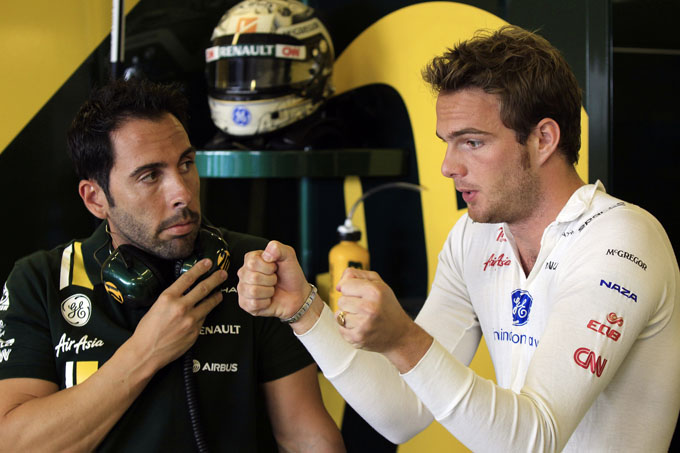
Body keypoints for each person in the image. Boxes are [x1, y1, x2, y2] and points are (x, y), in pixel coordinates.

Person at [237, 25, 680, 452]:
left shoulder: (621, 239)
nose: (448, 167)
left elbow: (535, 441)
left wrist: (404, 339)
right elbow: (403, 412)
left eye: (472, 142)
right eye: (447, 143)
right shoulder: (475, 236)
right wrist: (305, 311)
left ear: (544, 138)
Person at [0, 78, 344, 452]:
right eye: (150, 176)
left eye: (186, 164)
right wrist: (145, 352)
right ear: (95, 199)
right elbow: (15, 443)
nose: (182, 192)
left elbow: (306, 437)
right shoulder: (39, 281)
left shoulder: (254, 268)